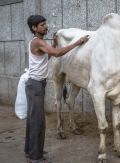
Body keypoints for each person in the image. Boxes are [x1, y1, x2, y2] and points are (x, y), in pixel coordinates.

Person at [24, 15, 89, 163]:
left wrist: (53, 44)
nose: (46, 27)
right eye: (42, 25)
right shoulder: (37, 42)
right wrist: (78, 42)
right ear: (34, 28)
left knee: (32, 120)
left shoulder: (38, 43)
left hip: (35, 84)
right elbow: (57, 54)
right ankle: (35, 157)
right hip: (35, 85)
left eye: (45, 24)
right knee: (38, 121)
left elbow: (45, 58)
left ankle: (30, 150)